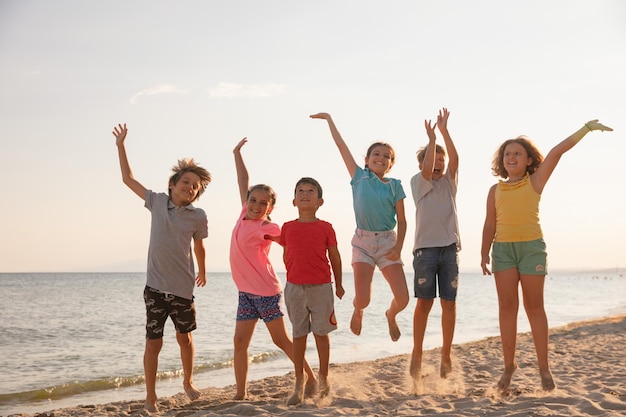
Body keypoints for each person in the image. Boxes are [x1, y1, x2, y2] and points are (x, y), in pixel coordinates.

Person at [480, 119, 613, 391]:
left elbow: (556, 152)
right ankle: (509, 366)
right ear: (502, 161)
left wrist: (586, 129)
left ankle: (544, 368)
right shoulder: (495, 190)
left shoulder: (536, 181)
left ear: (529, 160)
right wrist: (484, 252)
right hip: (503, 250)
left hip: (532, 248)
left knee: (534, 306)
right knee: (507, 307)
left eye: (517, 153)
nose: (511, 157)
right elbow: (490, 224)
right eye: (507, 154)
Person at [113, 123, 212, 412]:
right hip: (155, 288)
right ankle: (151, 396)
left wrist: (203, 271)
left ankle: (188, 381)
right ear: (172, 184)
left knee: (185, 338)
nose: (190, 187)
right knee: (153, 343)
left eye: (195, 186)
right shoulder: (156, 202)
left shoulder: (198, 216)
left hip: (182, 288)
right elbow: (128, 178)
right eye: (186, 182)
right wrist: (121, 145)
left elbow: (199, 247)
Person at [231, 138, 317, 400]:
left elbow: (290, 241)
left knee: (281, 341)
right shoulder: (244, 213)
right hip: (245, 292)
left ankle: (311, 378)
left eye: (263, 203)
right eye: (254, 200)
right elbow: (242, 180)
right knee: (239, 343)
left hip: (265, 291)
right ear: (248, 201)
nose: (257, 205)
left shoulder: (267, 228)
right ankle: (241, 393)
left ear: (270, 207)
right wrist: (237, 153)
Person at [310, 113, 409, 342]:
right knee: (363, 299)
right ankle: (358, 310)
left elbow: (402, 221)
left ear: (391, 164)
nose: (381, 158)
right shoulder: (358, 177)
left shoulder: (395, 186)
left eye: (386, 156)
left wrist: (399, 247)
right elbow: (340, 145)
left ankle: (390, 315)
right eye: (376, 154)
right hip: (363, 243)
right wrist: (329, 120)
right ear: (366, 159)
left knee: (403, 299)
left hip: (388, 243)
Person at [280, 177, 344, 405]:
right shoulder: (287, 227)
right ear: (294, 200)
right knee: (298, 334)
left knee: (321, 334)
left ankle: (324, 379)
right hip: (294, 288)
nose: (305, 194)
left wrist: (339, 283)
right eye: (300, 191)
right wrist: (293, 277)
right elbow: (286, 254)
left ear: (320, 201)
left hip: (321, 287)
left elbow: (335, 257)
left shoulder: (326, 227)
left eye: (310, 191)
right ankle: (299, 382)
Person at [409, 108, 461, 389]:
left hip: (449, 249)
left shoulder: (450, 183)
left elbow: (455, 158)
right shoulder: (419, 182)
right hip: (425, 251)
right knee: (424, 304)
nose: (439, 164)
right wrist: (430, 141)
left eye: (442, 160)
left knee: (449, 304)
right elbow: (429, 167)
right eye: (434, 159)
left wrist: (443, 132)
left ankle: (445, 352)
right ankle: (417, 352)